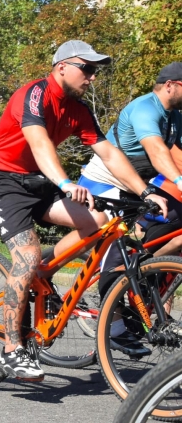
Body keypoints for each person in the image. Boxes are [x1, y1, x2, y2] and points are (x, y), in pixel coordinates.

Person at [0, 39, 167, 381]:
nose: (92, 77)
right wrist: (66, 183)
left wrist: (145, 190)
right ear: (61, 66)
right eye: (87, 69)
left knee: (99, 221)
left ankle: (42, 275)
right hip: (3, 179)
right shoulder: (34, 94)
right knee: (27, 254)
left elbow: (108, 154)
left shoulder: (78, 109)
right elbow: (38, 142)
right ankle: (11, 350)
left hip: (38, 181)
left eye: (95, 71)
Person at [77, 62, 182, 356]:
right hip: (105, 181)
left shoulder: (175, 117)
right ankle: (114, 328)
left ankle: (146, 284)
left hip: (134, 184)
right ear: (171, 85)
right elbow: (157, 151)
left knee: (161, 233)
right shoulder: (146, 108)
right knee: (114, 255)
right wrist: (178, 180)